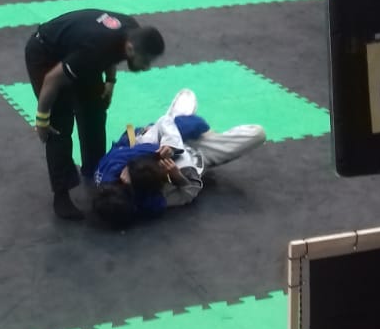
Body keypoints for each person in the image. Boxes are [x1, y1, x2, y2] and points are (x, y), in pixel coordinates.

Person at [24, 8, 165, 220]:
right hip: (45, 53)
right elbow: (53, 79)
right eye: (145, 61)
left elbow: (111, 54)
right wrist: (42, 120)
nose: (146, 68)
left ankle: (95, 169)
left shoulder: (132, 32)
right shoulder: (95, 49)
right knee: (58, 124)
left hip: (79, 50)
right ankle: (61, 195)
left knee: (95, 109)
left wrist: (110, 82)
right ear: (131, 48)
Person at [92, 89, 266, 227]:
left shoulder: (119, 161)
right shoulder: (149, 204)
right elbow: (188, 193)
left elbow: (164, 124)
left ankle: (184, 124)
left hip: (168, 137)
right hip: (200, 156)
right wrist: (178, 177)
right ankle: (202, 134)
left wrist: (172, 144)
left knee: (186, 97)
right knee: (258, 134)